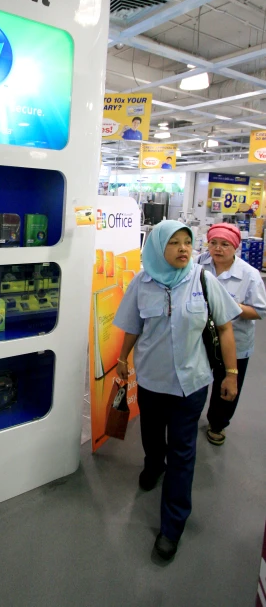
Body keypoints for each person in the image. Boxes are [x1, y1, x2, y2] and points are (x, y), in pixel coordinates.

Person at [113, 220, 241, 562]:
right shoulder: (142, 283)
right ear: (157, 248)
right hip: (153, 382)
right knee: (154, 437)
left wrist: (231, 374)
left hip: (192, 383)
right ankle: (153, 464)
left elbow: (226, 328)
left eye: (187, 242)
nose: (184, 248)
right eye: (174, 243)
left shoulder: (202, 280)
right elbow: (131, 326)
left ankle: (173, 525)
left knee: (183, 454)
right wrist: (123, 358)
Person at [196, 223, 266, 446]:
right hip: (201, 338)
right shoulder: (199, 264)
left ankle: (218, 424)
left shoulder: (250, 275)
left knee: (226, 384)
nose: (217, 249)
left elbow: (259, 311)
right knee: (196, 379)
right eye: (213, 243)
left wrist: (228, 306)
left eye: (225, 244)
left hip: (236, 340)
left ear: (235, 246)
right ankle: (189, 417)